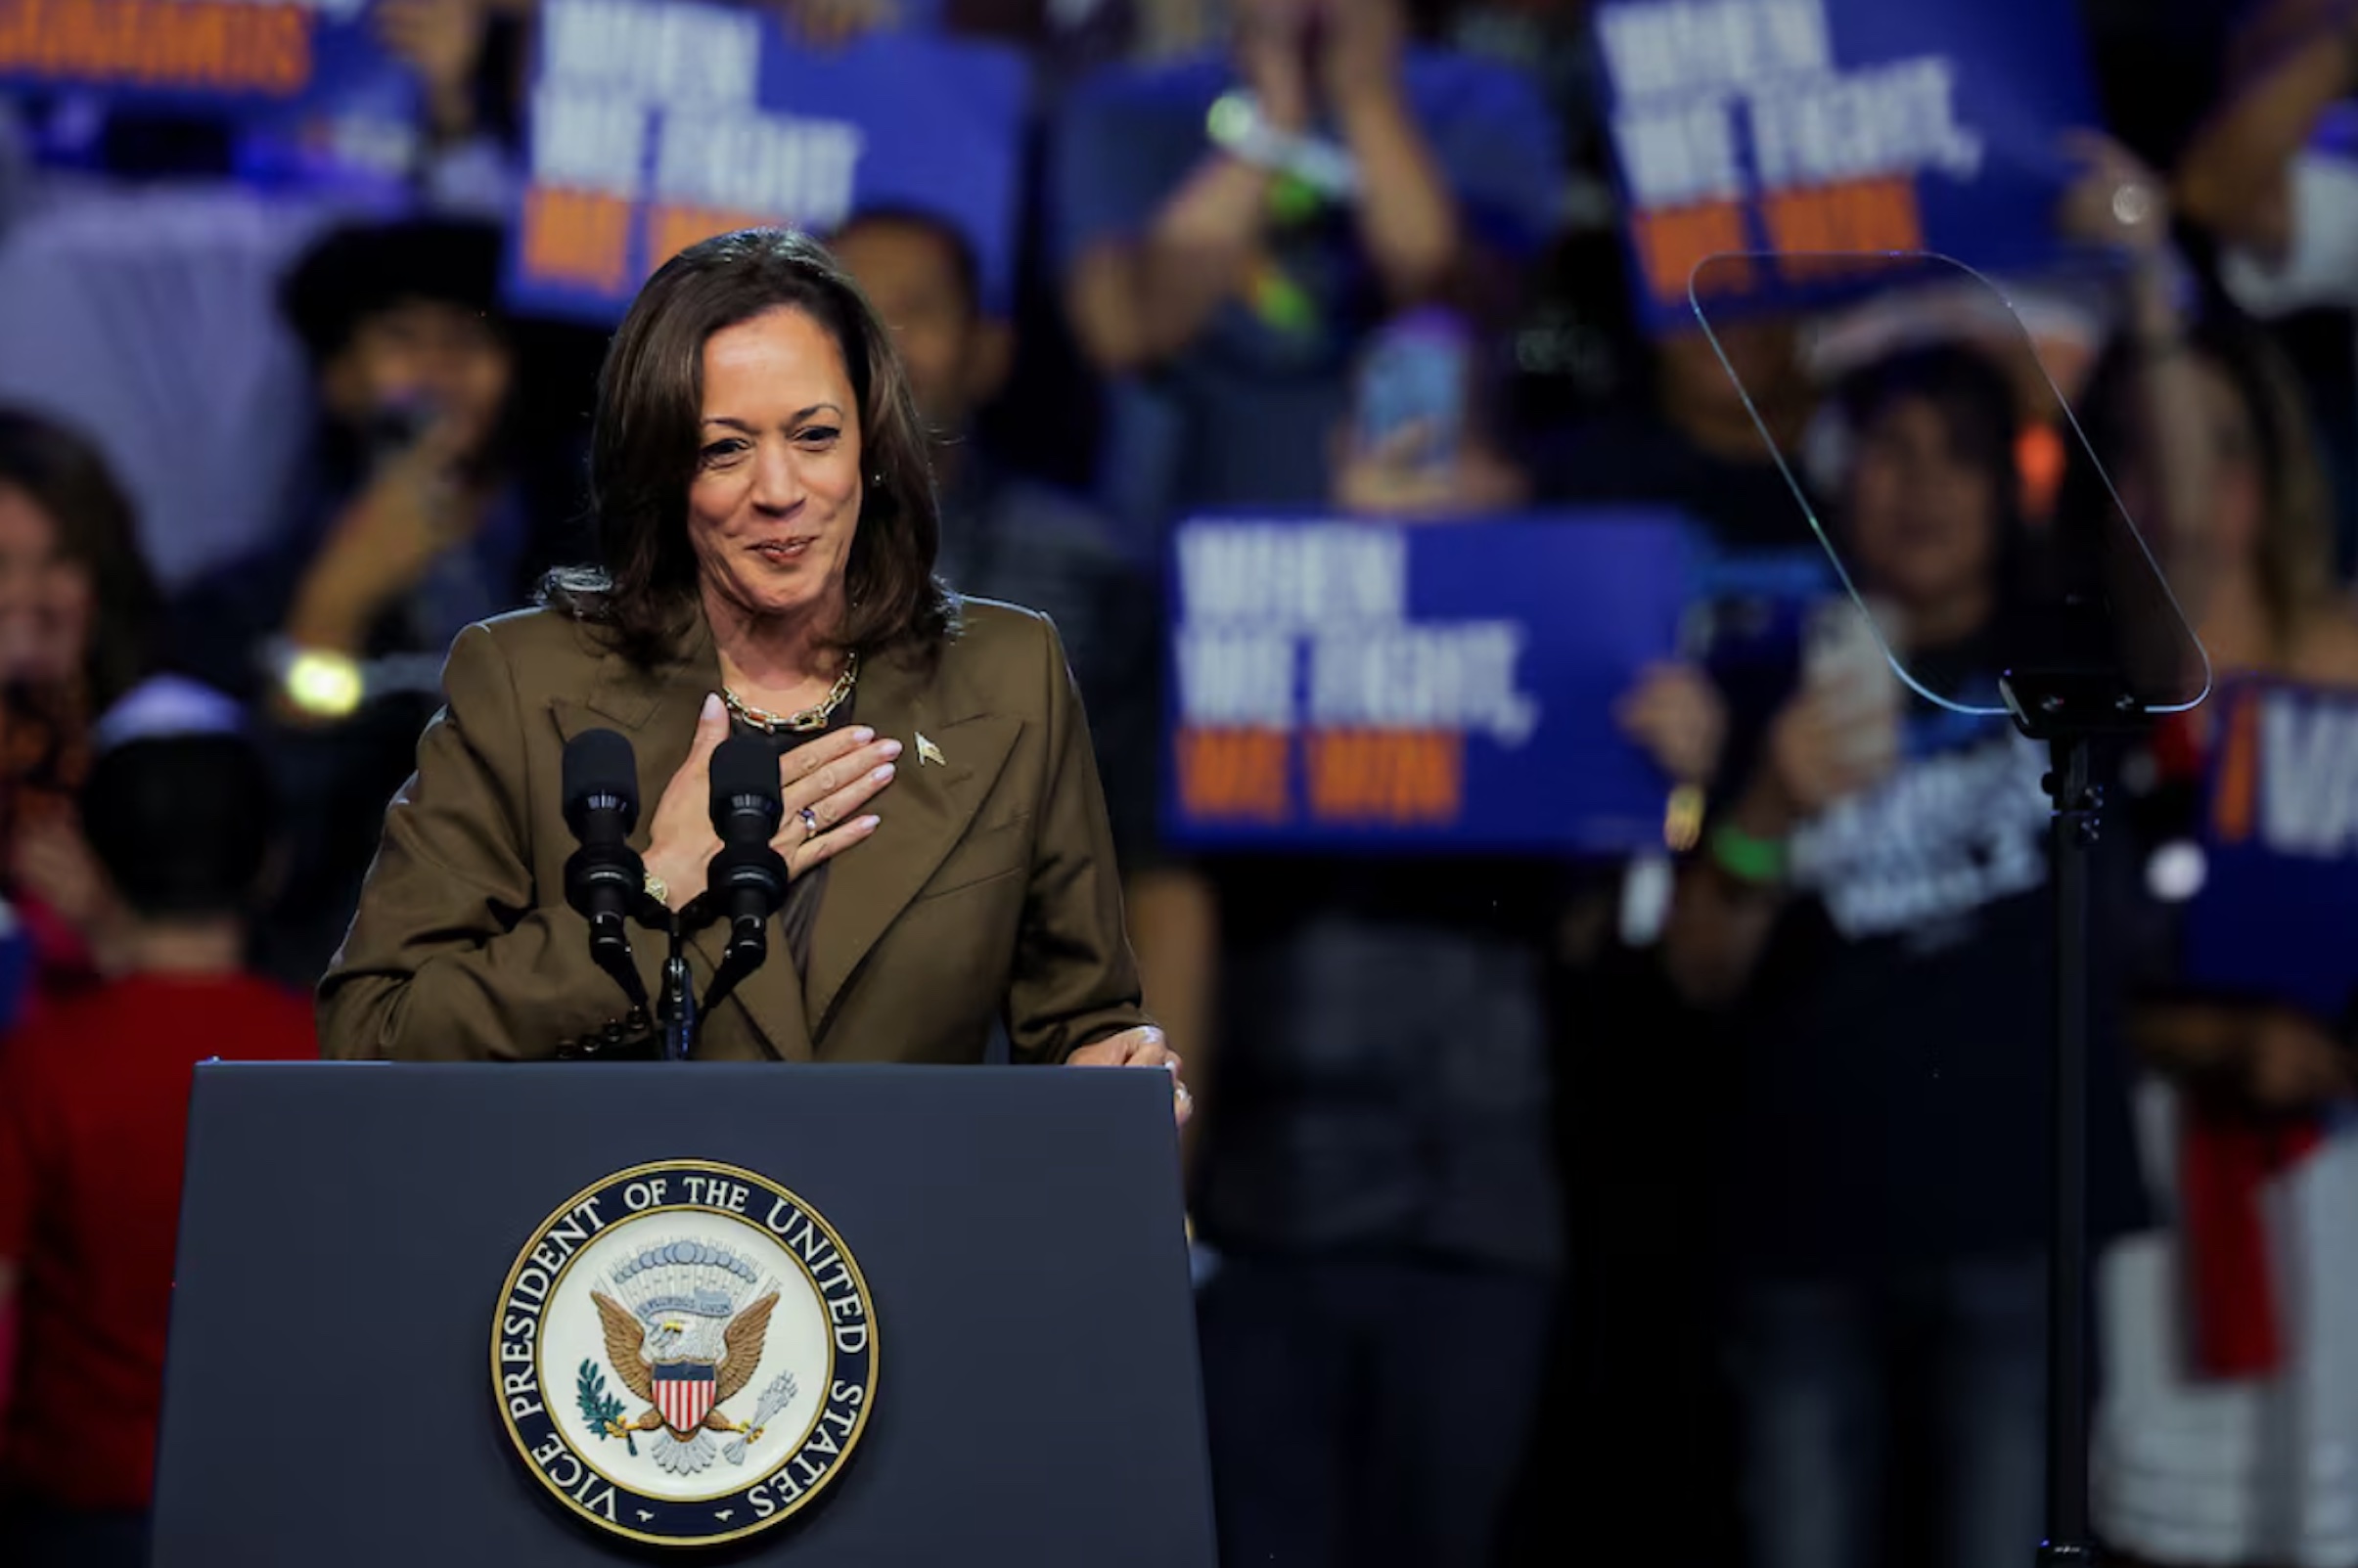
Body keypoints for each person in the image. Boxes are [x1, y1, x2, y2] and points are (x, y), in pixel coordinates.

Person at [319, 228, 1186, 1105]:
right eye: (725, 448)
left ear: (871, 449)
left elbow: (1083, 1024)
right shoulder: (523, 679)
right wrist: (655, 895)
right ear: (660, 468)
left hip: (907, 1230)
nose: (780, 488)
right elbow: (375, 1034)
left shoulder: (1008, 676)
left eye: (814, 435)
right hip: (636, 1233)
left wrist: (1115, 1073)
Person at [1660, 344, 2147, 1568]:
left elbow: (2186, 512)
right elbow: (1696, 968)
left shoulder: (2083, 652)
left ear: (2011, 486)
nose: (1921, 487)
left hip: (2017, 1231)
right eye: (1889, 451)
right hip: (1801, 1241)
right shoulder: (1757, 676)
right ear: (1835, 481)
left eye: (1957, 456)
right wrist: (1766, 807)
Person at [171, 215, 591, 991]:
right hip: (323, 1003)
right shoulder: (231, 606)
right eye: (402, 338)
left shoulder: (597, 581)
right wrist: (328, 615)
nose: (438, 369)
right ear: (338, 377)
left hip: (551, 1002)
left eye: (469, 340)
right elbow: (238, 862)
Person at [0, 687, 318, 1568]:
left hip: (80, 1519)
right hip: (293, 1507)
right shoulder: (333, 1054)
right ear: (270, 864)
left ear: (91, 866)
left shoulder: (43, 1061)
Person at [0, 409, 162, 1024]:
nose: (28, 598)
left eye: (59, 560)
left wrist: (106, 924)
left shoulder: (161, 753)